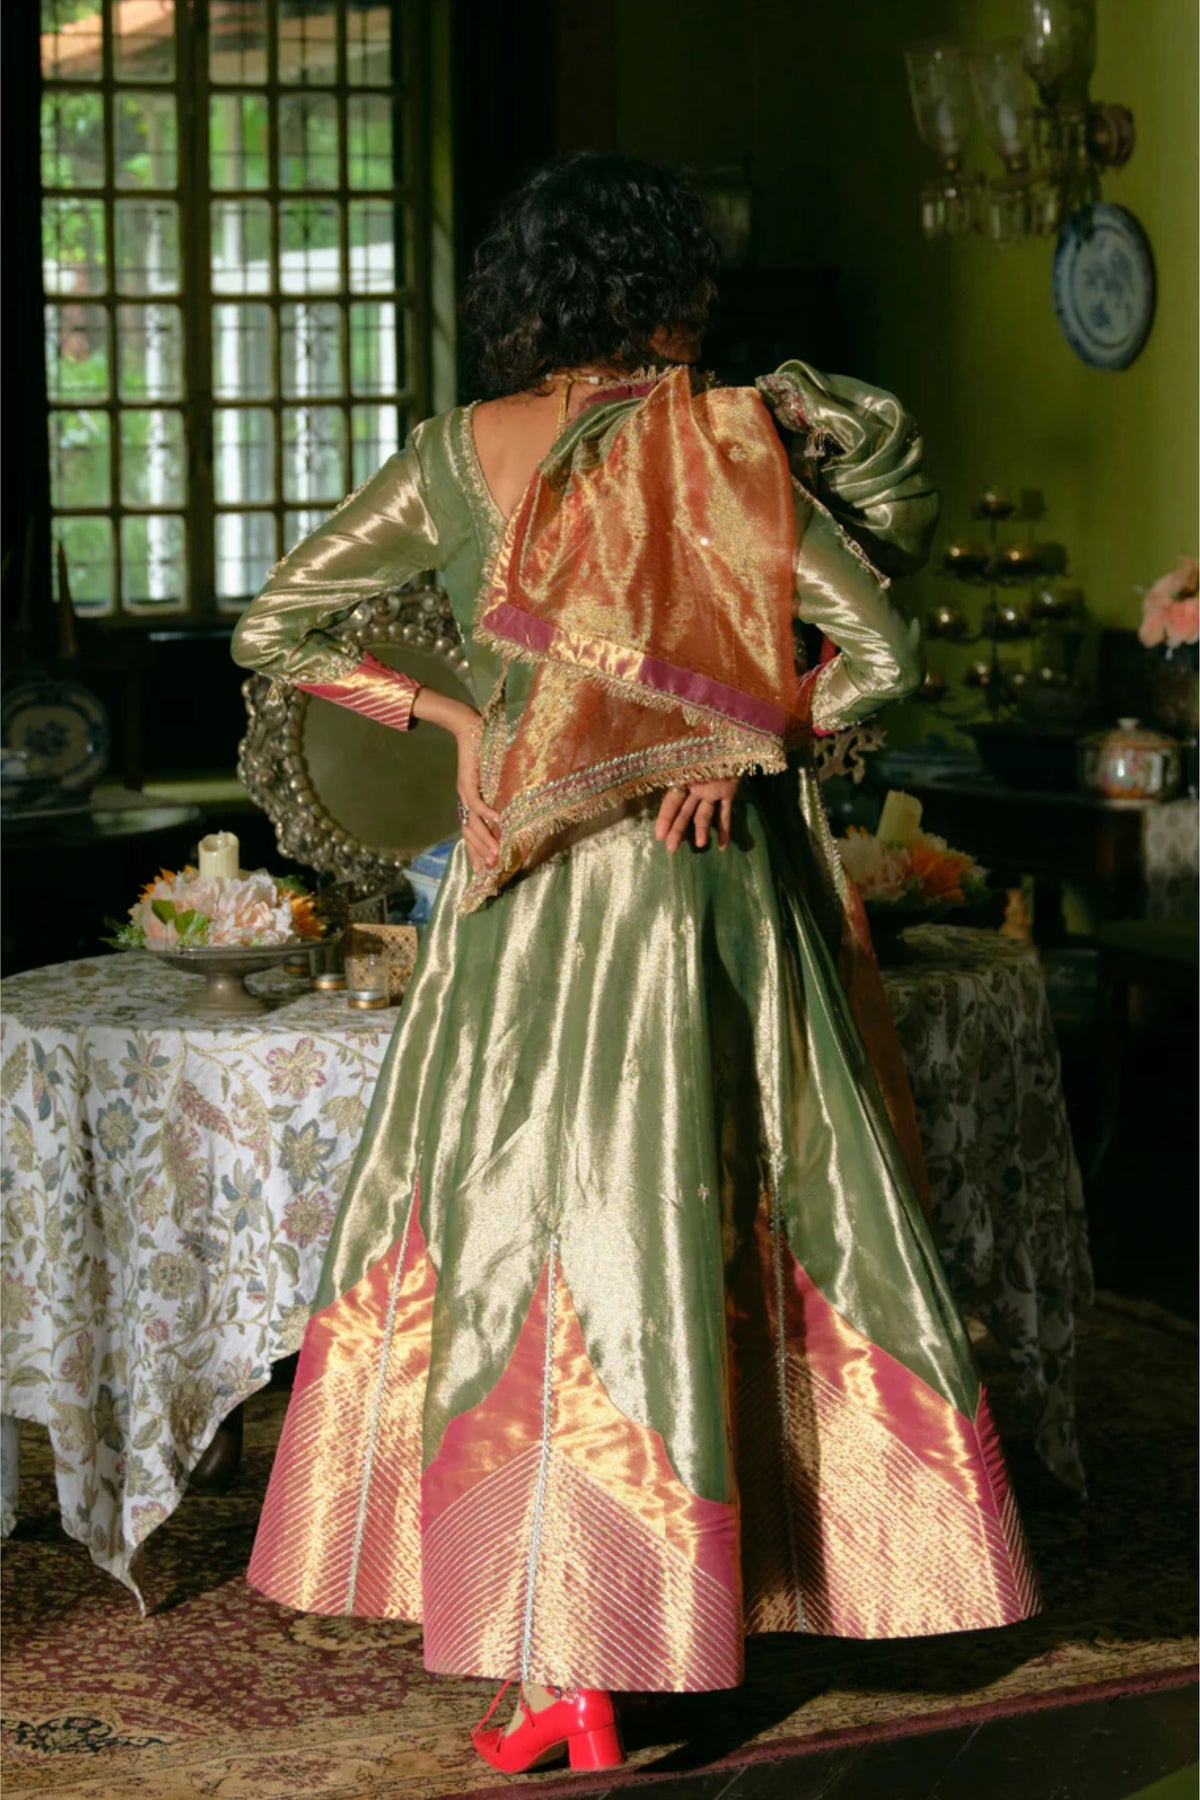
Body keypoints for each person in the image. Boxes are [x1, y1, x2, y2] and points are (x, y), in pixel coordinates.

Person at [231, 152, 1038, 1778]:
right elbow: (884, 652)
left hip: (518, 902)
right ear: (668, 293)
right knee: (681, 1224)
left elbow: (281, 626)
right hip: (697, 898)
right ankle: (696, 1610)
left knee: (523, 1242)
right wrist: (744, 737)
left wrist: (461, 722)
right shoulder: (720, 451)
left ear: (524, 299)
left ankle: (563, 1664)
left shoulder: (456, 456)